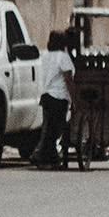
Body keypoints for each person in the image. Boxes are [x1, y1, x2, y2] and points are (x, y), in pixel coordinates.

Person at [36, 29, 76, 167]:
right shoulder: (62, 57)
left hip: (46, 95)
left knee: (48, 128)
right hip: (59, 96)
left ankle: (50, 158)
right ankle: (42, 155)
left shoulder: (45, 56)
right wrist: (74, 99)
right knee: (55, 129)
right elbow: (68, 79)